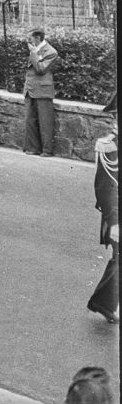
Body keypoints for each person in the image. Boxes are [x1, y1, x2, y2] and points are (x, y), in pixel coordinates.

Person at [86, 91, 118, 324]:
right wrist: (115, 223)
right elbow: (107, 191)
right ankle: (104, 303)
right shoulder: (110, 148)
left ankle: (104, 302)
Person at [23, 29, 59, 157]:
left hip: (43, 90)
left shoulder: (51, 52)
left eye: (30, 38)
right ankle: (33, 148)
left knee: (45, 121)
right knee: (30, 120)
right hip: (30, 89)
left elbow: (40, 69)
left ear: (38, 38)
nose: (28, 41)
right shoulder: (34, 49)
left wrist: (33, 53)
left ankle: (47, 150)